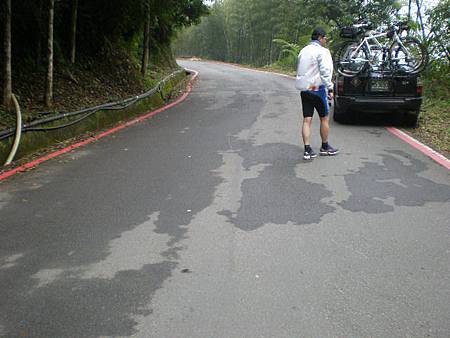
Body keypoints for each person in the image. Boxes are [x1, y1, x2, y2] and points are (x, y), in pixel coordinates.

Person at [295, 27, 339, 160]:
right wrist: (330, 88)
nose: (326, 40)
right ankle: (325, 147)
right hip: (318, 90)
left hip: (305, 90)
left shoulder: (303, 50)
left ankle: (307, 150)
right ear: (320, 37)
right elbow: (326, 71)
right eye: (325, 38)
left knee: (307, 120)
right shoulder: (323, 51)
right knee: (324, 118)